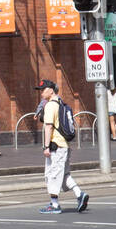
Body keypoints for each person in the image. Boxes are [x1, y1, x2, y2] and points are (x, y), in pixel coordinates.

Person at [36, 79, 88, 214]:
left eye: (43, 90)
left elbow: (48, 127)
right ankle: (79, 194)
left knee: (52, 175)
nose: (41, 92)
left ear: (51, 90)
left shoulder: (50, 106)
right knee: (63, 174)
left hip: (56, 146)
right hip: (64, 145)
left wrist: (46, 147)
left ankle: (54, 205)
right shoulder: (60, 103)